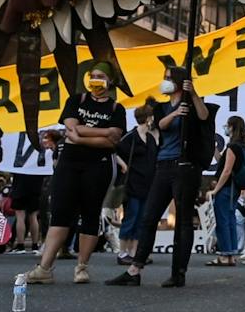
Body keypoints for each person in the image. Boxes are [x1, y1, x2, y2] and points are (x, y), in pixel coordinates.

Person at [106, 67, 214, 288]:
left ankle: (178, 272)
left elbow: (204, 117)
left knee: (183, 221)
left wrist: (193, 94)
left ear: (179, 82)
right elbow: (161, 125)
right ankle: (135, 269)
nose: (164, 81)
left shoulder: (192, 103)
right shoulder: (162, 107)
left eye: (168, 78)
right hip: (163, 165)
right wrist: (175, 113)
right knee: (149, 216)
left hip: (185, 166)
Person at [24, 62, 127, 286]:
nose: (96, 80)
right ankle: (44, 268)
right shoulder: (76, 100)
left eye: (101, 76)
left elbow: (113, 139)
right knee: (60, 213)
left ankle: (82, 267)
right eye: (93, 75)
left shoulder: (116, 109)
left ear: (110, 80)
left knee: (90, 213)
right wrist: (101, 132)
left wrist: (81, 135)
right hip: (69, 163)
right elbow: (71, 128)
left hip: (99, 165)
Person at [115, 104, 159, 265]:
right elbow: (114, 151)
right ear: (148, 118)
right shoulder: (130, 137)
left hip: (147, 184)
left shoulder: (150, 138)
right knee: (131, 218)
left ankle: (134, 252)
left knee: (141, 219)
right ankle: (122, 252)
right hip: (132, 184)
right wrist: (123, 165)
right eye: (151, 117)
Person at [205, 117, 245, 268]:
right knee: (230, 220)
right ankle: (231, 254)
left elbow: (227, 170)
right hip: (234, 189)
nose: (225, 128)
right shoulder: (240, 146)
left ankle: (224, 254)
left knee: (223, 221)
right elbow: (223, 162)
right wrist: (215, 149)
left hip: (226, 188)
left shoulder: (232, 147)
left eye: (227, 126)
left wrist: (215, 189)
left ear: (232, 127)